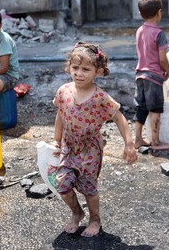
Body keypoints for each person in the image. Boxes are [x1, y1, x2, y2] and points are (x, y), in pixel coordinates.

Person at [52, 42, 138, 237]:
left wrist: (129, 144)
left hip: (90, 149)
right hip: (68, 146)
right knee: (62, 185)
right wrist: (56, 140)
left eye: (85, 69)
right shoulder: (64, 91)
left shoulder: (100, 98)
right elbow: (60, 114)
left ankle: (94, 219)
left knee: (88, 187)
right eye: (75, 68)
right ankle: (76, 212)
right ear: (69, 68)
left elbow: (119, 117)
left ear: (98, 72)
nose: (79, 73)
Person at [134, 0, 169, 150]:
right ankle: (156, 142)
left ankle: (137, 139)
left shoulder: (139, 30)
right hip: (154, 77)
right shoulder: (159, 34)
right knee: (155, 109)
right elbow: (162, 58)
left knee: (141, 109)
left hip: (139, 75)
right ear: (159, 12)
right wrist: (168, 71)